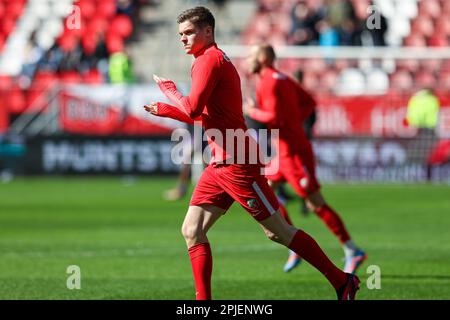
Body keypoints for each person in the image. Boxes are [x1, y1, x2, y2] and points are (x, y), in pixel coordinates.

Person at [143, 6, 359, 300]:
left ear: (208, 31)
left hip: (237, 162)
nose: (183, 39)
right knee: (192, 230)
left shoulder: (208, 61)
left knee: (278, 232)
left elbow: (192, 108)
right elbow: (203, 114)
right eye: (180, 34)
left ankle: (341, 281)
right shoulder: (211, 60)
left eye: (189, 32)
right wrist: (166, 109)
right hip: (219, 162)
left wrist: (169, 91)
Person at [243, 44, 366, 274]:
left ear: (262, 58)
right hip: (285, 151)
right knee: (266, 190)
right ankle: (293, 244)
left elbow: (274, 117)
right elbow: (309, 102)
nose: (247, 59)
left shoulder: (270, 81)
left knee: (315, 203)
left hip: (294, 154)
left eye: (250, 55)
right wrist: (294, 125)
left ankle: (352, 250)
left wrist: (253, 113)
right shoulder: (284, 78)